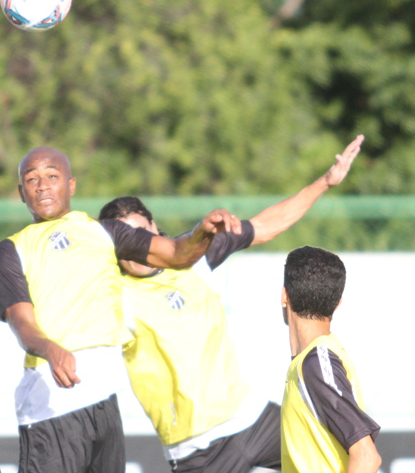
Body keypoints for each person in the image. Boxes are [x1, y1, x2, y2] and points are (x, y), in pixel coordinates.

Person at [97, 135, 364, 472]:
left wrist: (325, 182)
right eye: (125, 240)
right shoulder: (112, 293)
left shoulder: (194, 258)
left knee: (337, 454)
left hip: (253, 420)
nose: (136, 246)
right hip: (197, 452)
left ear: (155, 227)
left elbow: (265, 226)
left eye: (141, 233)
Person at [0, 146, 240, 473]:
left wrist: (201, 233)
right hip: (52, 407)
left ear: (71, 184)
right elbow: (21, 322)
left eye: (52, 176)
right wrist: (50, 349)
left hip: (104, 401)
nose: (42, 185)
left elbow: (176, 254)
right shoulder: (10, 249)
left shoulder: (105, 231)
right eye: (31, 179)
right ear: (21, 192)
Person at [280, 246, 381, 472]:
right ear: (337, 303)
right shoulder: (311, 361)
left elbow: (367, 457)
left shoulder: (316, 363)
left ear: (284, 296)